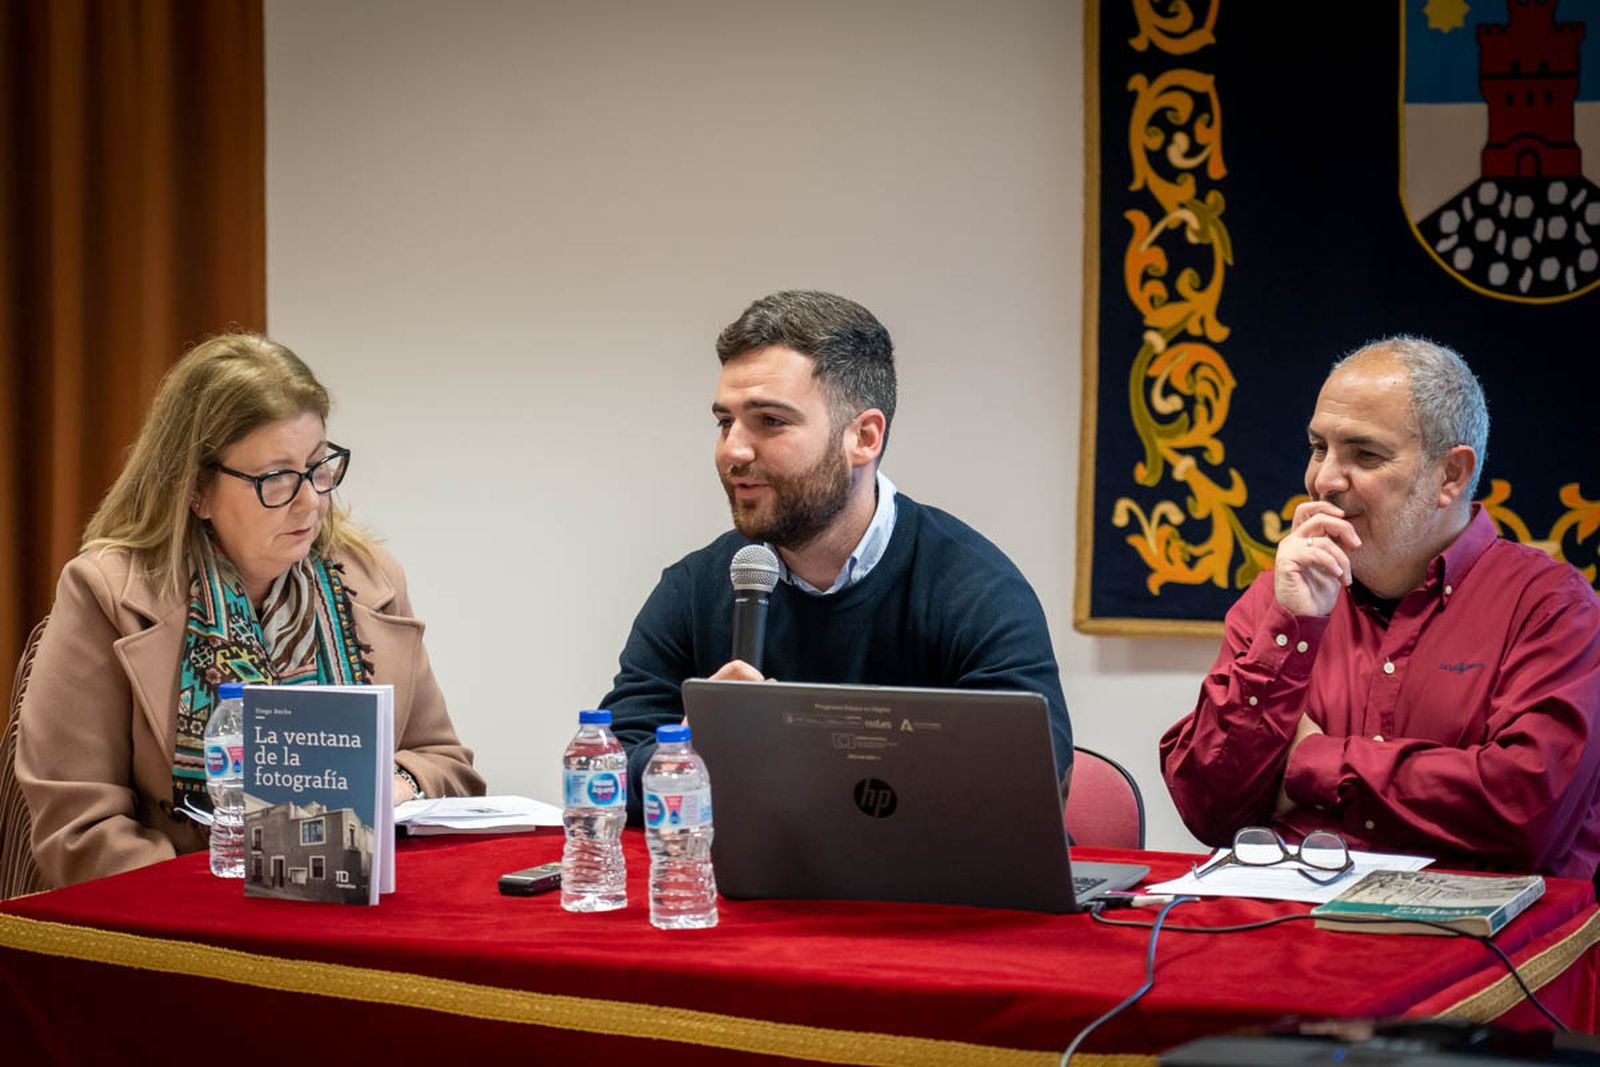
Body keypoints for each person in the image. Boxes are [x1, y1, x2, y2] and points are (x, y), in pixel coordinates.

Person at [17, 334, 484, 888]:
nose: (310, 500)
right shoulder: (106, 593)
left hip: (354, 908)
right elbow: (78, 831)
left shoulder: (369, 578)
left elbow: (447, 762)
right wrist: (232, 897)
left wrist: (393, 782)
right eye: (278, 478)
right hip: (182, 929)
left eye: (318, 467)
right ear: (196, 490)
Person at [600, 290, 1070, 821]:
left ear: (863, 438)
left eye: (770, 421)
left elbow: (1029, 784)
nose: (733, 449)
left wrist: (800, 753)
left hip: (932, 897)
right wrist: (695, 749)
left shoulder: (974, 589)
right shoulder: (695, 587)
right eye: (724, 422)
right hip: (757, 892)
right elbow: (602, 773)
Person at [1161, 336, 1600, 879]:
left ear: (1451, 476)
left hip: (1473, 939)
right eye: (1318, 447)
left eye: (1364, 455)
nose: (1323, 480)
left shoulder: (1550, 606)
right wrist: (1291, 629)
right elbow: (1205, 807)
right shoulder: (1277, 598)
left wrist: (1305, 761)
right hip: (1286, 925)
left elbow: (1524, 813)